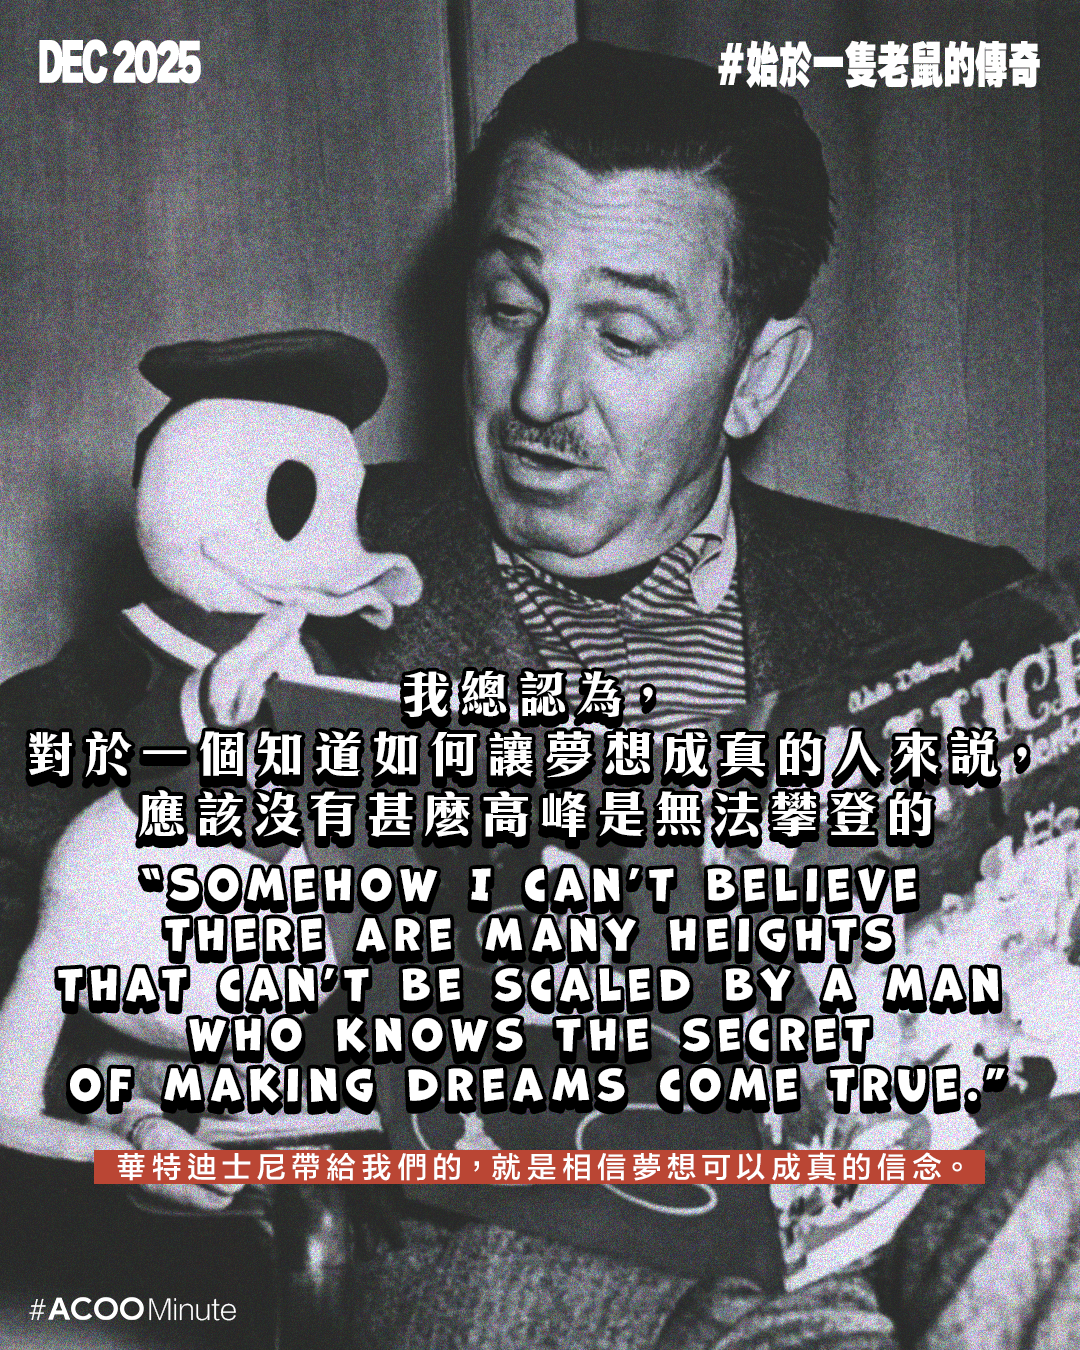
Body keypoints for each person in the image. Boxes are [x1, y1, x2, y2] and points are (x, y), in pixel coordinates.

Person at [0, 38, 1073, 1350]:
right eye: (510, 308)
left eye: (623, 334)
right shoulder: (284, 557)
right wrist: (126, 1086)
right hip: (517, 1243)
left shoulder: (950, 606)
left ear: (758, 376)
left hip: (913, 1204)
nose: (541, 392)